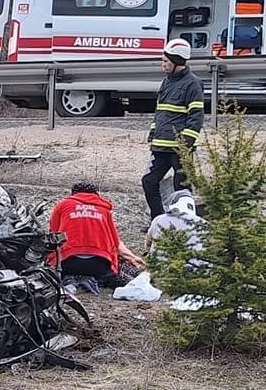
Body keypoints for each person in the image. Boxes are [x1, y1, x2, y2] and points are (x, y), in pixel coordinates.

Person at [143, 37, 204, 218]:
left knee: (182, 189)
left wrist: (186, 143)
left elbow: (196, 117)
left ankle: (185, 225)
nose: (163, 64)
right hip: (161, 146)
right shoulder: (166, 82)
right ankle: (158, 221)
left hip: (180, 149)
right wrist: (153, 132)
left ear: (177, 62)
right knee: (149, 181)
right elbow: (160, 111)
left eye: (166, 61)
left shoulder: (193, 84)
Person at [47, 181, 146, 289]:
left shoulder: (62, 205)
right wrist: (133, 258)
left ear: (73, 194)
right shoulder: (104, 209)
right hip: (99, 265)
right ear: (96, 194)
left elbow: (52, 236)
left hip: (66, 264)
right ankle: (98, 280)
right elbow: (116, 243)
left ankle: (71, 279)